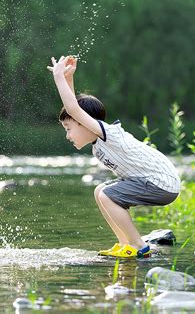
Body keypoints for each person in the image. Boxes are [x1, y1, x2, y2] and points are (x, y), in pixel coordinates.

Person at [47, 56, 180, 258]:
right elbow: (73, 109)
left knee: (107, 195)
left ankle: (139, 246)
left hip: (161, 183)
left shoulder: (107, 133)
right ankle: (125, 243)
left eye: (68, 128)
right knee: (100, 190)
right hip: (152, 182)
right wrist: (68, 79)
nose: (67, 135)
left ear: (84, 122)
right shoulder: (97, 142)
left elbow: (74, 109)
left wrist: (58, 77)